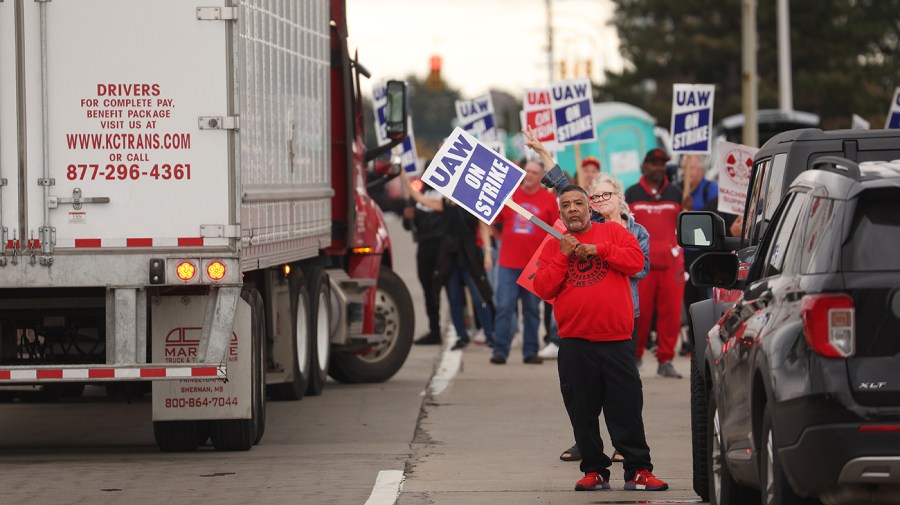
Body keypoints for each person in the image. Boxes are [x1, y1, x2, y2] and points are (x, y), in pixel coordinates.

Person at [524, 126, 651, 463]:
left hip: (623, 320)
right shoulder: (579, 223)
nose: (597, 202)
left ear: (620, 198)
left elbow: (639, 267)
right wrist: (543, 153)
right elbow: (565, 188)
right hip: (579, 332)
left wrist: (599, 249)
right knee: (583, 397)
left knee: (624, 395)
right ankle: (589, 451)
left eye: (604, 196)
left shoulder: (632, 231)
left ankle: (628, 451)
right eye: (594, 198)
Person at [533, 185, 668, 492]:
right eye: (566, 205)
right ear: (561, 213)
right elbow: (542, 288)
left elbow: (637, 264)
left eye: (578, 203)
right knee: (581, 410)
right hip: (574, 342)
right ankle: (594, 469)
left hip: (616, 339)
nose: (573, 209)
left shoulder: (615, 234)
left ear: (589, 207)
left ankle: (638, 470)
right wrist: (563, 257)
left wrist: (601, 250)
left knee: (626, 408)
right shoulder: (555, 244)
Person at [485, 159, 558, 365]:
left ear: (541, 177)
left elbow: (555, 230)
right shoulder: (511, 196)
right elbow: (491, 217)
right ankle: (500, 350)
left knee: (532, 310)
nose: (529, 174)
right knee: (505, 307)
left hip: (534, 266)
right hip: (508, 263)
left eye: (534, 172)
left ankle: (530, 351)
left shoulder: (548, 199)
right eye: (526, 170)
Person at [625, 148, 684, 379]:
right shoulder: (631, 193)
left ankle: (666, 360)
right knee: (639, 313)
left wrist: (687, 207)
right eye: (653, 163)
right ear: (643, 166)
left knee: (671, 314)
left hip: (671, 264)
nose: (658, 168)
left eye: (662, 164)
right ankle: (635, 357)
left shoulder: (677, 193)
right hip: (642, 264)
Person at [401, 173, 448, 346]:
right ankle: (434, 331)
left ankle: (463, 328)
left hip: (444, 249)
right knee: (429, 291)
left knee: (452, 289)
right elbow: (408, 225)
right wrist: (407, 217)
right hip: (424, 247)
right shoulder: (418, 194)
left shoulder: (448, 193)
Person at [679, 154, 719, 355]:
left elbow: (713, 214)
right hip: (682, 255)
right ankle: (693, 344)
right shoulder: (680, 188)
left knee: (704, 300)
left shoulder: (709, 189)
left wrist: (689, 208)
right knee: (688, 300)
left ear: (701, 170)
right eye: (686, 167)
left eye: (692, 167)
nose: (689, 172)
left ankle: (707, 341)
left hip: (703, 254)